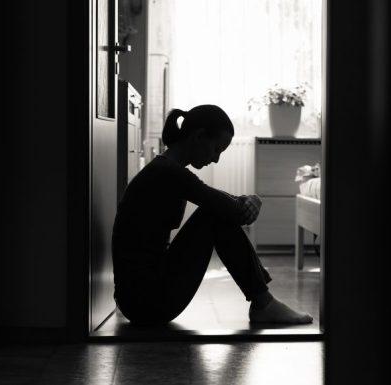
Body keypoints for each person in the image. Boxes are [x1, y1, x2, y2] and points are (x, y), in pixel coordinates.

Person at [111, 104, 313, 326]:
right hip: (146, 303)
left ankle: (262, 301)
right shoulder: (169, 173)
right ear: (198, 137)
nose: (216, 159)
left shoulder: (165, 168)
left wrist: (249, 201)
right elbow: (224, 206)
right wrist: (251, 201)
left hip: (138, 299)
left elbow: (221, 202)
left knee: (215, 213)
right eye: (216, 149)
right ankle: (263, 303)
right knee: (214, 216)